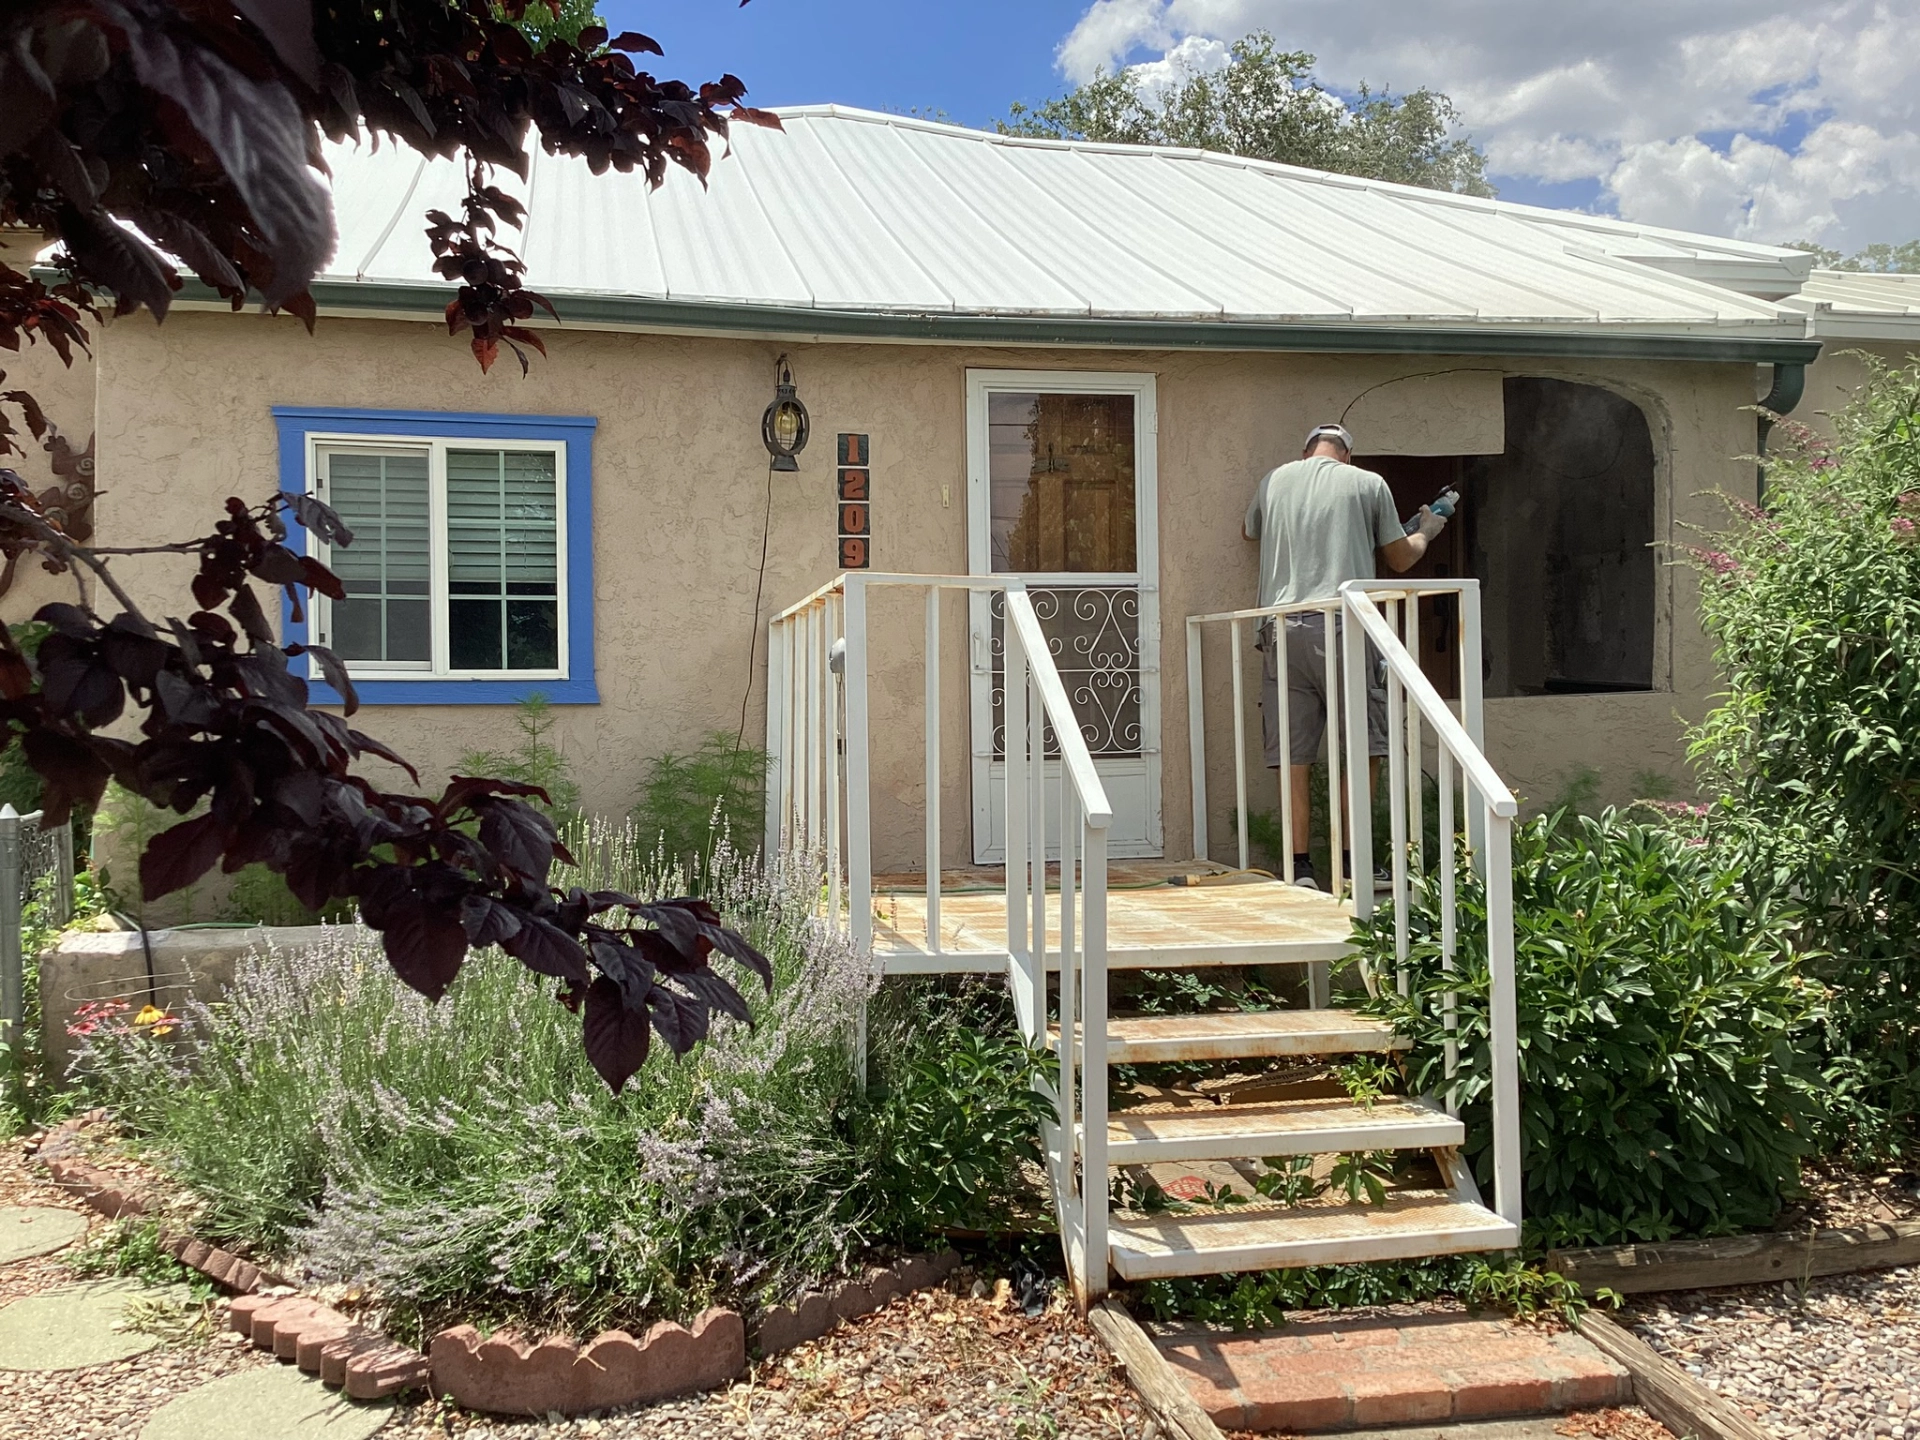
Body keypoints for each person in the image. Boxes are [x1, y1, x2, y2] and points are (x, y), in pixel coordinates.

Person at [1243, 423, 1453, 890]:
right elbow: (1400, 560)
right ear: (1348, 457)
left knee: (1294, 755)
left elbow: (1249, 529)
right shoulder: (1368, 484)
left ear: (1306, 451)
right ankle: (1352, 864)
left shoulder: (1274, 480)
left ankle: (1299, 869)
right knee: (1362, 748)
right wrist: (1427, 530)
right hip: (1343, 627)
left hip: (1281, 631)